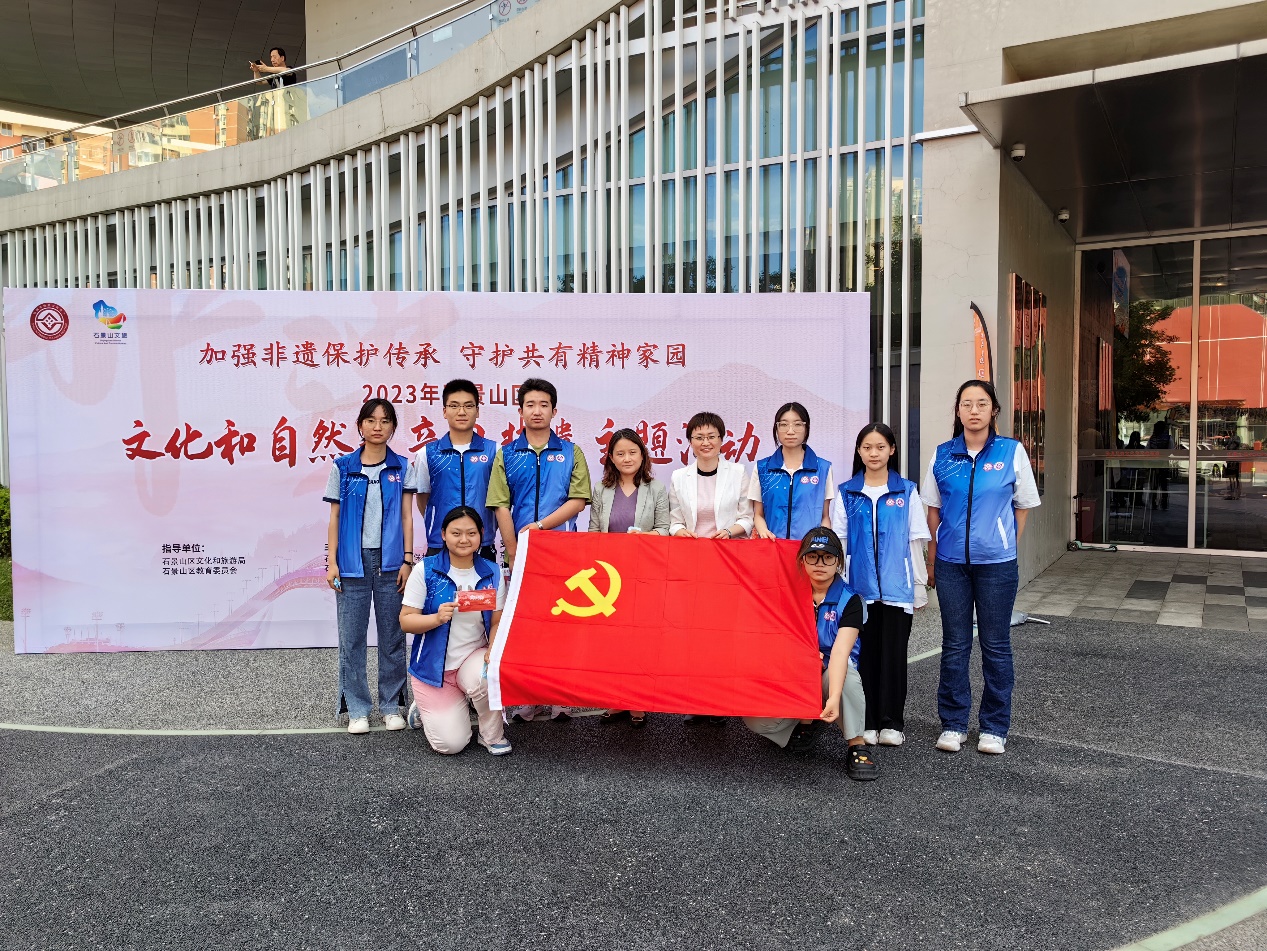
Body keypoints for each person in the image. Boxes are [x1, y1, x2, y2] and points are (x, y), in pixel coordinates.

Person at [922, 379, 1041, 756]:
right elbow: (933, 509)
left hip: (997, 566)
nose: (974, 410)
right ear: (958, 411)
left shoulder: (1011, 451)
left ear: (994, 410)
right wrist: (933, 557)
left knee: (996, 645)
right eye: (967, 404)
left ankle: (994, 727)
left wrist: (1004, 543)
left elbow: (1022, 506)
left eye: (982, 403)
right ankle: (953, 723)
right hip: (951, 565)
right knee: (955, 645)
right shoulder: (942, 455)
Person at [486, 377, 592, 721]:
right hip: (520, 555)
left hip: (562, 553)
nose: (537, 411)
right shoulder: (507, 454)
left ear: (554, 411)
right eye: (530, 405)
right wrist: (514, 550)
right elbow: (500, 505)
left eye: (543, 405)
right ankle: (530, 696)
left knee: (560, 624)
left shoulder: (571, 452)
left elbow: (577, 501)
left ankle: (559, 696)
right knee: (527, 627)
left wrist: (542, 527)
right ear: (520, 411)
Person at [742, 528, 878, 782]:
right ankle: (805, 722)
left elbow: (840, 653)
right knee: (755, 720)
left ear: (838, 561)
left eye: (828, 557)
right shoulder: (788, 594)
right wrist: (801, 659)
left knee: (847, 678)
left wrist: (833, 698)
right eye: (812, 556)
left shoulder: (851, 600)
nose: (820, 563)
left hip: (830, 672)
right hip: (795, 673)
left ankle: (857, 744)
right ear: (802, 560)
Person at [832, 422, 930, 748]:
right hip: (859, 591)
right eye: (867, 447)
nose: (874, 453)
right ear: (859, 452)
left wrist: (918, 586)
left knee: (894, 657)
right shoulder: (847, 493)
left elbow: (915, 541)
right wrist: (841, 590)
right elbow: (840, 543)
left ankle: (892, 722)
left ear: (892, 450)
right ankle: (867, 721)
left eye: (880, 447)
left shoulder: (907, 491)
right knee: (864, 657)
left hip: (898, 589)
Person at [324, 398, 415, 735]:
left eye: (385, 420)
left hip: (391, 563)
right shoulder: (343, 467)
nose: (378, 427)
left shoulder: (402, 467)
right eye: (371, 420)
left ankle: (391, 706)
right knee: (352, 638)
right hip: (352, 562)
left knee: (392, 636)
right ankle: (358, 709)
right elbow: (334, 517)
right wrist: (332, 561)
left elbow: (407, 516)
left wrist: (407, 559)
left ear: (393, 427)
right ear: (360, 425)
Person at [399, 506, 511, 755]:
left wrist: (492, 650)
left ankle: (491, 735)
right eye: (456, 533)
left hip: (472, 658)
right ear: (443, 535)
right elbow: (406, 621)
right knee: (451, 745)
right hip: (433, 670)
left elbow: (497, 621)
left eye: (471, 533)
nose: (464, 540)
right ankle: (425, 707)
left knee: (489, 674)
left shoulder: (491, 572)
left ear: (481, 534)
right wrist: (436, 618)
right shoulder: (426, 570)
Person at [669, 411, 754, 725]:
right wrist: (680, 531)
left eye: (711, 436)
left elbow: (747, 517)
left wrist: (731, 531)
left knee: (722, 633)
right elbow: (674, 520)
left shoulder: (738, 472)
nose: (705, 442)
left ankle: (720, 700)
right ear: (690, 442)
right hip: (692, 564)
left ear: (722, 439)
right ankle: (696, 699)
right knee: (693, 633)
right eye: (699, 437)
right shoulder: (679, 477)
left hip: (727, 562)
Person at [589, 428, 671, 728]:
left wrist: (645, 537)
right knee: (612, 640)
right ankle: (615, 700)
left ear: (642, 455)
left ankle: (637, 701)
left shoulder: (656, 488)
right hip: (610, 576)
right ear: (611, 457)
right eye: (620, 453)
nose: (627, 458)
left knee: (640, 639)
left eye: (632, 452)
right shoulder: (601, 489)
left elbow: (665, 529)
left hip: (644, 575)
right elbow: (594, 531)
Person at [407, 379, 498, 562]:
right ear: (444, 411)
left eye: (468, 406)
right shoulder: (427, 453)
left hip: (482, 543)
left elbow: (500, 499)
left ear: (477, 411)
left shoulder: (494, 451)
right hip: (439, 544)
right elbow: (423, 499)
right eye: (454, 406)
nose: (461, 412)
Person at [751, 402, 834, 540]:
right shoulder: (762, 468)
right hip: (773, 545)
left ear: (806, 428)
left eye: (797, 424)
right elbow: (758, 514)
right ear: (776, 429)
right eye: (784, 425)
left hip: (810, 548)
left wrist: (822, 544)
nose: (790, 431)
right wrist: (764, 532)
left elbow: (825, 516)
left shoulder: (823, 468)